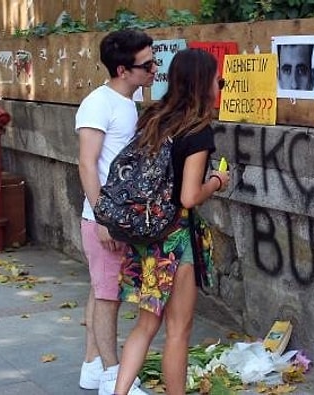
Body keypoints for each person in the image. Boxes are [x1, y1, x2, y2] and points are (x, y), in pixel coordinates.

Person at [102, 48, 230, 395]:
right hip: (174, 242)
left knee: (145, 325)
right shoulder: (198, 130)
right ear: (203, 84)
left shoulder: (153, 117)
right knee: (178, 330)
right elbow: (188, 197)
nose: (220, 86)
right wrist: (217, 181)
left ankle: (119, 392)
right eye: (218, 80)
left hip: (144, 235)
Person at [75, 29, 156, 392]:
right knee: (108, 298)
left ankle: (92, 364)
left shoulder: (127, 101)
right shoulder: (99, 103)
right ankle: (112, 376)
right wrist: (104, 217)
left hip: (118, 217)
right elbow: (87, 164)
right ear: (123, 70)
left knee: (101, 291)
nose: (154, 69)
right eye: (148, 64)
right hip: (105, 220)